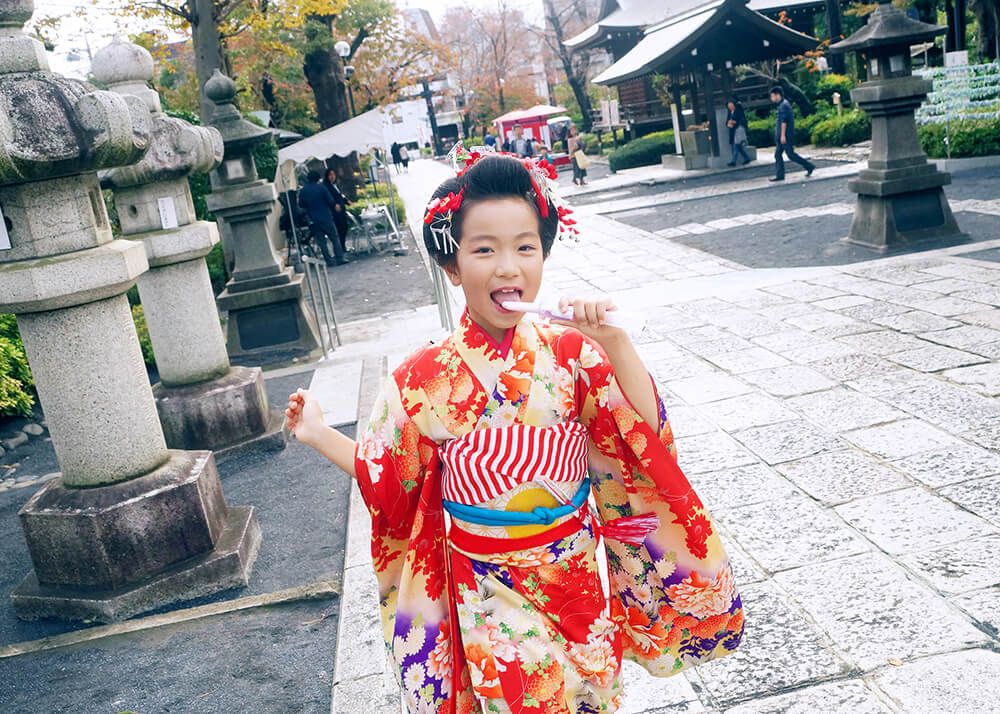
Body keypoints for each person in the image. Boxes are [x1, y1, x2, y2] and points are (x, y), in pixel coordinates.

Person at [284, 154, 743, 712]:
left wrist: (616, 342)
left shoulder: (572, 351)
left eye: (525, 247)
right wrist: (315, 433)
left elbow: (643, 438)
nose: (508, 266)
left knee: (591, 698)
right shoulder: (422, 378)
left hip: (574, 575)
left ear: (543, 255)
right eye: (484, 249)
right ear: (452, 266)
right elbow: (386, 476)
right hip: (489, 588)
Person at [297, 169, 349, 265]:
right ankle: (339, 258)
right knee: (334, 237)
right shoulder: (321, 187)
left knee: (321, 242)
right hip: (326, 217)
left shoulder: (303, 190)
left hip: (313, 219)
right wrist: (335, 206)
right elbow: (330, 200)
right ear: (317, 179)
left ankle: (328, 261)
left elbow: (301, 204)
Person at [769, 86, 814, 182]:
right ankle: (780, 175)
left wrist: (782, 135)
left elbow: (784, 122)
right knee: (778, 155)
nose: (772, 98)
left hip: (785, 135)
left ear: (778, 95)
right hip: (782, 135)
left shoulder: (784, 105)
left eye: (772, 96)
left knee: (791, 154)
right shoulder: (782, 105)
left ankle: (809, 166)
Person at [323, 168, 350, 253]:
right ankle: (341, 248)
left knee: (344, 228)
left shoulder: (334, 185)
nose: (332, 176)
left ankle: (342, 246)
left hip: (341, 210)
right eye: (330, 175)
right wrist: (334, 205)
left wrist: (346, 201)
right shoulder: (326, 186)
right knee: (340, 229)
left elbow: (340, 195)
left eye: (333, 174)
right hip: (335, 211)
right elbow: (329, 198)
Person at [726, 98, 753, 167]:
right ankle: (747, 158)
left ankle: (733, 161)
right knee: (738, 147)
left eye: (731, 106)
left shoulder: (738, 111)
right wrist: (728, 123)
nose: (730, 107)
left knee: (735, 146)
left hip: (738, 131)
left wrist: (734, 122)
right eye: (729, 106)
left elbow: (742, 121)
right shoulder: (729, 113)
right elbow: (727, 122)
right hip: (732, 131)